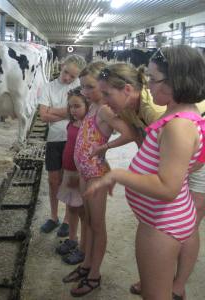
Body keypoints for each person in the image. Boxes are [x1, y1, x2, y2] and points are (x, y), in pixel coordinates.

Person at [88, 45, 205, 299]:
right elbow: (189, 165)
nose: (148, 85)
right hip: (161, 219)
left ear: (177, 81)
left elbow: (168, 188)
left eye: (153, 79)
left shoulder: (179, 126)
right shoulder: (178, 116)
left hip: (163, 224)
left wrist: (118, 175)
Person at [62, 61, 135, 297]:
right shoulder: (92, 106)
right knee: (90, 223)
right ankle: (86, 267)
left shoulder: (103, 109)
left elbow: (129, 133)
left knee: (97, 225)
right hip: (85, 173)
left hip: (96, 175)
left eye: (90, 86)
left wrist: (106, 147)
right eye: (82, 87)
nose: (86, 92)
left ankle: (94, 276)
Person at [38, 54, 86, 237]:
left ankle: (67, 219)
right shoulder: (49, 87)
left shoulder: (79, 89)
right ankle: (53, 216)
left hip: (73, 139)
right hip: (54, 139)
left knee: (69, 181)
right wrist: (68, 113)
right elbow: (43, 116)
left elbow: (77, 115)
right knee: (53, 180)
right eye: (66, 72)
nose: (67, 78)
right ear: (62, 65)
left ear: (77, 77)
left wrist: (53, 110)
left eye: (72, 76)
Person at [55, 87, 89, 266]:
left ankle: (83, 248)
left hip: (79, 174)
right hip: (68, 171)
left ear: (87, 105)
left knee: (82, 211)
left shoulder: (88, 126)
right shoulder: (71, 123)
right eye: (70, 107)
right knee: (71, 208)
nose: (73, 110)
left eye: (77, 106)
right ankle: (72, 238)